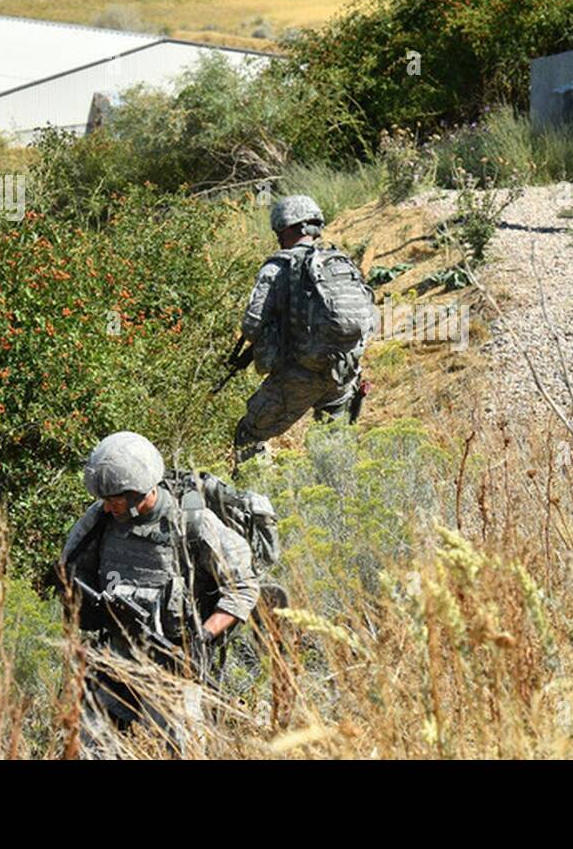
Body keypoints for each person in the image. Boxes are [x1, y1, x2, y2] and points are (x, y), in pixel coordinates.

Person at [60, 431, 260, 751]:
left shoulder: (192, 523)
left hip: (174, 665)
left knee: (182, 746)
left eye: (116, 501)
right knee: (87, 746)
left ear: (142, 492)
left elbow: (243, 589)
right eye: (105, 500)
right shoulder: (99, 520)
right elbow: (69, 571)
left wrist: (202, 639)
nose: (109, 508)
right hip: (117, 658)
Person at [232, 195, 376, 472]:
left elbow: (251, 326)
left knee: (249, 435)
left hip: (298, 376)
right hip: (343, 373)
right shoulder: (339, 261)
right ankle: (338, 497)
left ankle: (258, 506)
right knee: (333, 443)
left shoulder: (277, 267)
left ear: (286, 228)